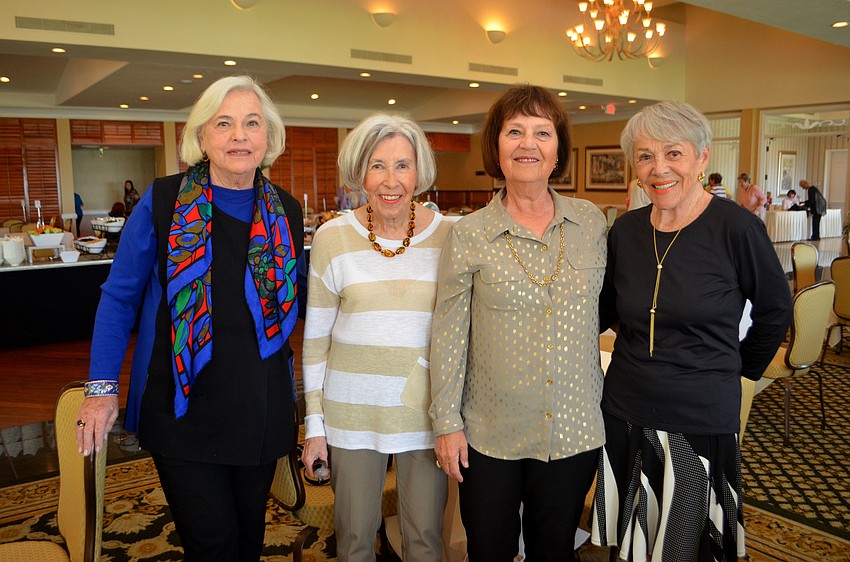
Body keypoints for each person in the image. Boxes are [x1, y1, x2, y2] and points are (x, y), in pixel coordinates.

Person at [74, 75, 306, 562]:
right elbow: (118, 298)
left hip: (260, 408)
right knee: (212, 545)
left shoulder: (286, 210)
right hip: (181, 407)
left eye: (251, 123)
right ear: (202, 136)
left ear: (268, 136)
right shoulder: (163, 201)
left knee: (249, 539)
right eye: (224, 123)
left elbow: (295, 302)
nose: (239, 135)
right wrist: (101, 389)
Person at [590, 101, 793, 561]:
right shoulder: (626, 231)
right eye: (645, 156)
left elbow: (776, 308)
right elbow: (605, 310)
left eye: (673, 153)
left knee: (686, 545)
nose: (658, 168)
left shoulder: (736, 228)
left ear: (702, 158)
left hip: (697, 417)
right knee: (634, 543)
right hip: (625, 407)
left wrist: (736, 369)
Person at [430, 84, 607, 561]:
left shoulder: (592, 224)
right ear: (497, 147)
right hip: (489, 435)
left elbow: (609, 308)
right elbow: (448, 336)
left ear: (558, 150)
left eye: (542, 132)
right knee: (489, 551)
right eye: (515, 132)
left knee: (555, 550)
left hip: (572, 431)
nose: (529, 144)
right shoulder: (469, 235)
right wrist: (446, 423)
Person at [301, 114, 451, 562]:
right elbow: (316, 341)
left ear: (419, 172)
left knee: (425, 542)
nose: (391, 180)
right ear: (359, 173)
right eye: (377, 165)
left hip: (423, 414)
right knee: (354, 543)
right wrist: (314, 426)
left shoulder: (450, 235)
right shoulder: (331, 237)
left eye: (403, 165)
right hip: (351, 414)